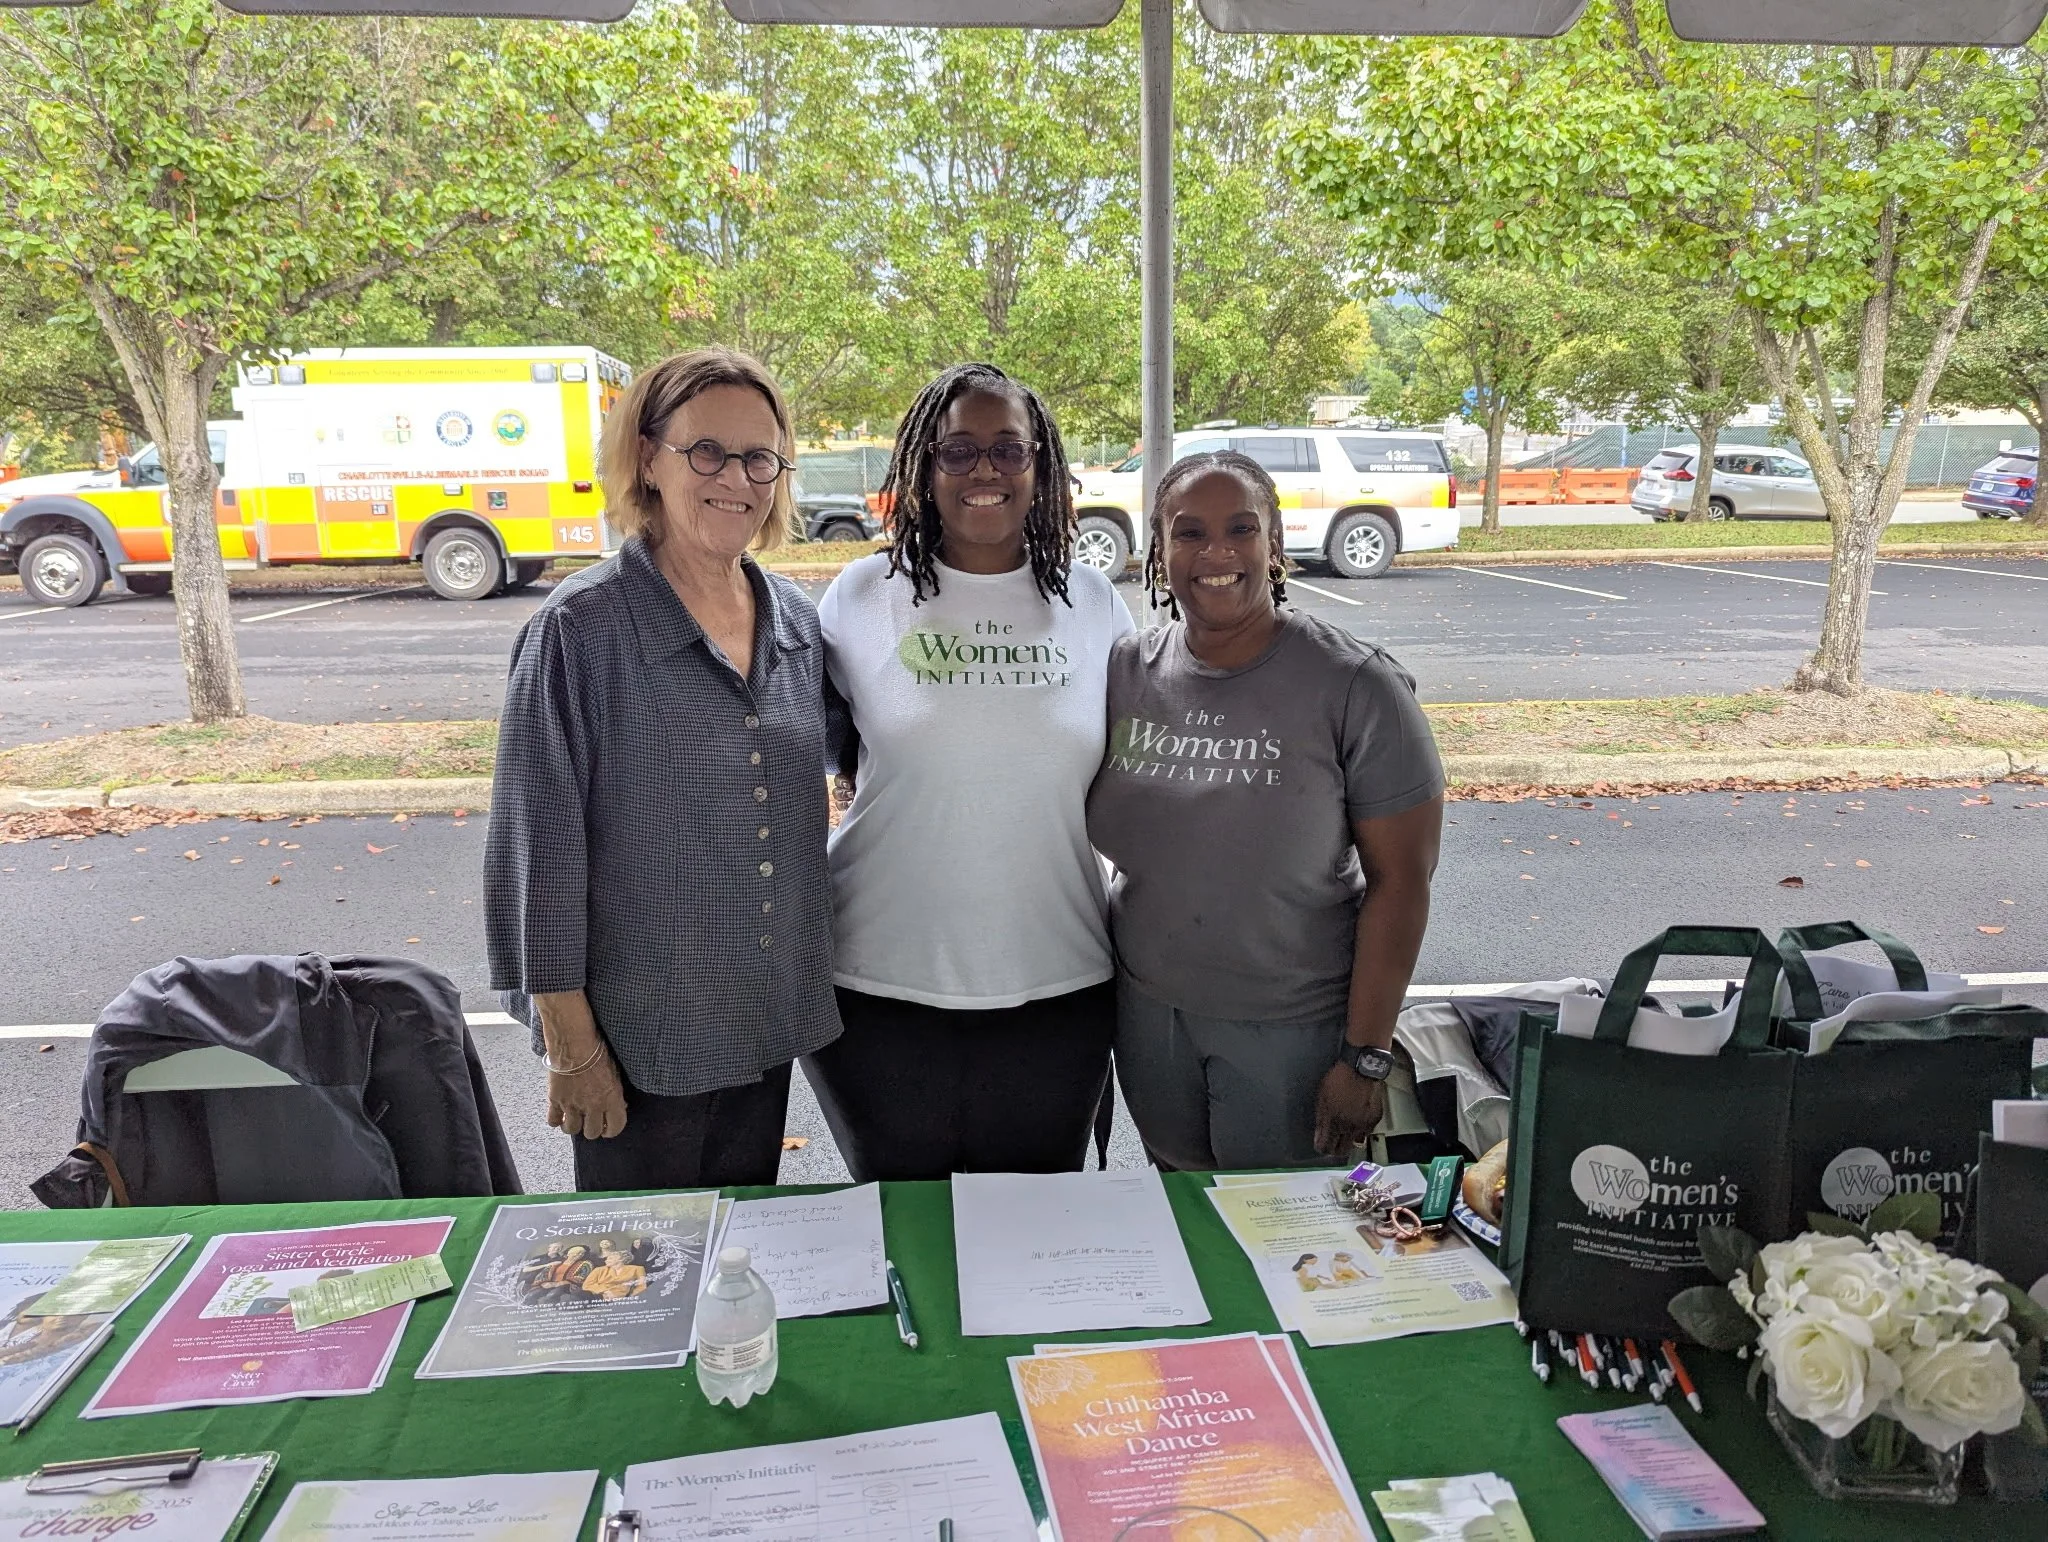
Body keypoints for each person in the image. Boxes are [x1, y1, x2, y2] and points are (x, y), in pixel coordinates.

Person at [486, 347, 838, 1193]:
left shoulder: (794, 620)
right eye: (706, 451)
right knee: (636, 1287)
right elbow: (539, 857)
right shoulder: (581, 631)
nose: (737, 479)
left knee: (737, 1265)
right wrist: (573, 1051)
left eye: (760, 457)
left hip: (762, 1027)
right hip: (638, 1047)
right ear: (647, 456)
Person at [805, 362, 1135, 1180]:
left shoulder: (1096, 604)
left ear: (1041, 466)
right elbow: (823, 744)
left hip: (1059, 987)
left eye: (1007, 450)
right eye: (957, 451)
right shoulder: (858, 596)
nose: (984, 471)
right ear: (924, 469)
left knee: (1034, 1252)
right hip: (874, 990)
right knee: (903, 1243)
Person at [1087, 450, 1444, 1172]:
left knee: (1289, 1249)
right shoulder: (1127, 671)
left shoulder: (1355, 685)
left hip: (1293, 1033)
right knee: (1184, 1216)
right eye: (1187, 533)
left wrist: (1365, 1057)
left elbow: (1402, 884)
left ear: (1273, 544)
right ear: (1159, 551)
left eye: (1240, 529)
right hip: (1150, 1019)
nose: (1215, 552)